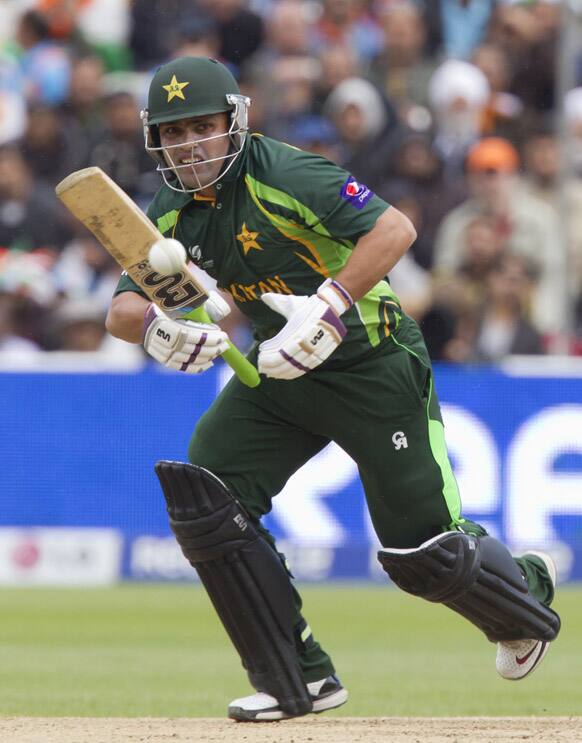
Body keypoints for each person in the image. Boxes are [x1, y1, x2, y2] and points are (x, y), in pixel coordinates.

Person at [106, 56, 560, 722]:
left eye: (201, 127)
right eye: (173, 134)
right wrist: (156, 331)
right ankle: (298, 677)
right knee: (208, 488)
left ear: (234, 123)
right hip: (280, 371)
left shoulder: (285, 173)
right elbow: (121, 306)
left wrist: (329, 304)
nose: (188, 146)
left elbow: (396, 227)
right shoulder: (171, 210)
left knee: (422, 552)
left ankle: (527, 584)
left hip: (370, 361)